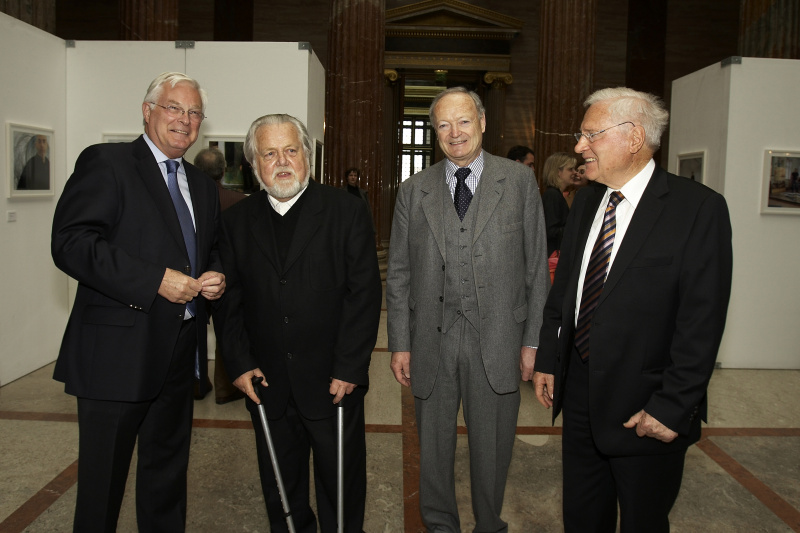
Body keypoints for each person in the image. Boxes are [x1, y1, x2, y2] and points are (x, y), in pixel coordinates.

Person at [533, 87, 733, 532]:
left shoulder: (697, 209)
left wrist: (672, 407)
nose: (580, 146)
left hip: (646, 409)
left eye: (591, 135)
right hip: (580, 398)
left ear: (634, 137)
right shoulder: (587, 200)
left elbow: (701, 323)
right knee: (582, 519)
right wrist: (549, 357)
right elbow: (566, 290)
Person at [51, 72, 225, 532]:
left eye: (194, 112)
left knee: (166, 477)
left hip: (179, 351)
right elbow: (71, 243)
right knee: (102, 485)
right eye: (174, 108)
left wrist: (216, 274)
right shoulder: (107, 163)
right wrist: (154, 281)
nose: (184, 120)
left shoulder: (201, 184)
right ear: (148, 111)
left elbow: (209, 249)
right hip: (116, 355)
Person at [387, 87, 549, 531]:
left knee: (493, 448)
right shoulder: (413, 191)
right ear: (434, 131)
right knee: (433, 449)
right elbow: (398, 273)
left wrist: (534, 342)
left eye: (463, 121)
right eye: (443, 124)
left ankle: (488, 524)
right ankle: (440, 525)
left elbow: (537, 269)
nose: (454, 132)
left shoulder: (518, 182)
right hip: (431, 340)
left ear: (482, 122)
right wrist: (399, 343)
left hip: (498, 339)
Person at [217, 114, 382, 532]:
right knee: (281, 489)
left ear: (307, 155)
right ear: (253, 163)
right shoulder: (236, 221)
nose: (282, 162)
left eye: (291, 150)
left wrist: (350, 366)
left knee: (340, 487)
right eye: (269, 153)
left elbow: (364, 295)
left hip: (333, 382)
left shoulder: (346, 211)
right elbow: (229, 300)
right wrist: (238, 363)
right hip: (266, 382)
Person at [193, 147, 247, 404]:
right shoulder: (239, 201)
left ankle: (196, 383)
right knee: (228, 331)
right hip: (230, 277)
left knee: (193, 332)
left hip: (194, 276)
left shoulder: (189, 199)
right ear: (224, 171)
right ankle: (226, 389)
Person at [540, 152, 578, 256]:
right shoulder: (552, 195)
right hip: (552, 254)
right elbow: (550, 231)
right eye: (570, 169)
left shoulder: (555, 194)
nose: (575, 172)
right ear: (558, 172)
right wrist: (576, 227)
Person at [344, 166, 376, 234]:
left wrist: (372, 228)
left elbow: (368, 210)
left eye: (355, 175)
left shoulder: (363, 193)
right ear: (347, 177)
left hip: (360, 222)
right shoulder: (342, 192)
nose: (353, 177)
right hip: (347, 223)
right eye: (351, 175)